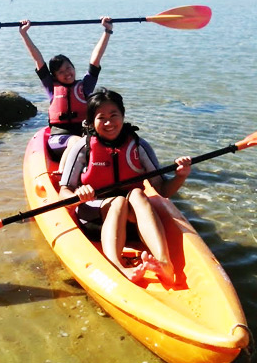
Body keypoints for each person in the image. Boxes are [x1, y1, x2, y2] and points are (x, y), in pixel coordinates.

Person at [58, 88, 192, 283]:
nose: (109, 123)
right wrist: (78, 193)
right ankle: (117, 266)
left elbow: (163, 190)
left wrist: (180, 176)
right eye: (101, 118)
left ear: (123, 115)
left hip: (132, 222)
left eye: (114, 115)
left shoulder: (139, 145)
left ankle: (165, 263)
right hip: (94, 217)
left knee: (137, 193)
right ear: (92, 122)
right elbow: (64, 191)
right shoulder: (83, 147)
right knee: (118, 201)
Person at [19, 17, 113, 172]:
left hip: (83, 137)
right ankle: (62, 174)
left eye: (69, 68)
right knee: (76, 141)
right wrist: (24, 34)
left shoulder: (85, 86)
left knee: (89, 143)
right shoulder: (51, 87)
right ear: (55, 76)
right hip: (59, 139)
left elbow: (96, 58)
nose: (67, 73)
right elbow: (37, 58)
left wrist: (107, 31)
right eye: (61, 72)